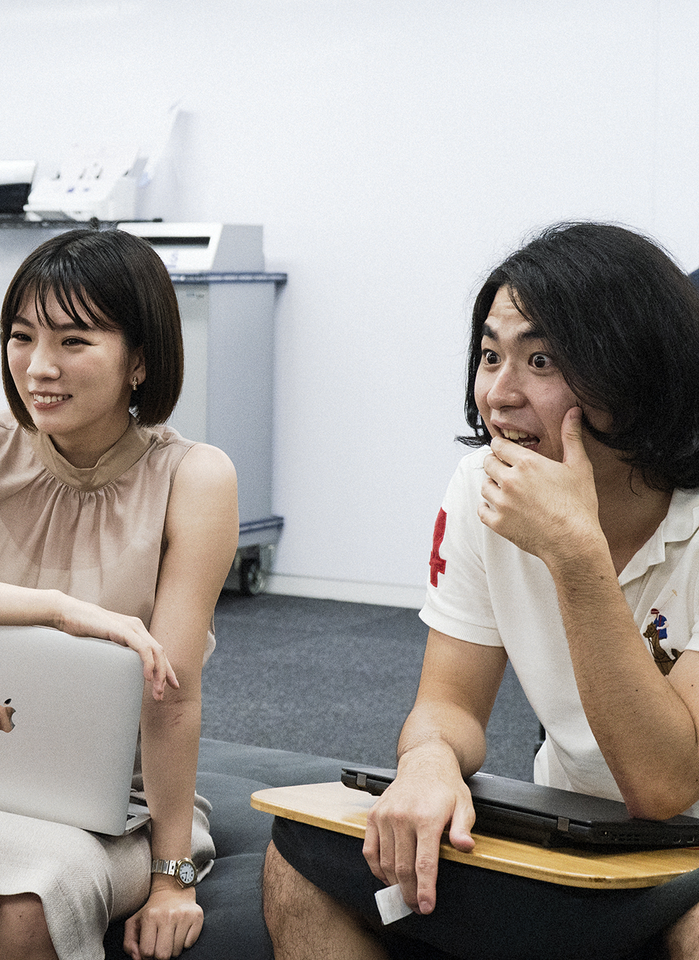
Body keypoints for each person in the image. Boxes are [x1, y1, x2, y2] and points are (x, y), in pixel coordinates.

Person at [261, 221, 699, 960]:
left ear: (634, 372)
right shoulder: (482, 488)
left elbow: (663, 787)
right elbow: (450, 704)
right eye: (491, 356)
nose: (499, 394)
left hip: (688, 847)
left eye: (541, 360)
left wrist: (575, 554)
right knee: (300, 867)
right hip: (573, 831)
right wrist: (429, 761)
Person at [0, 228, 240, 960]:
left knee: (36, 896)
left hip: (116, 803)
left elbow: (172, 696)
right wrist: (58, 611)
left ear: (140, 360)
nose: (38, 367)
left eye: (73, 341)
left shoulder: (195, 477)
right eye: (22, 337)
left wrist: (172, 879)